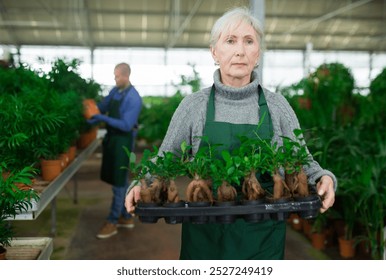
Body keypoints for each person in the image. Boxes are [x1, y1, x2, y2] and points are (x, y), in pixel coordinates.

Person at [125, 7, 336, 259]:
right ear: (214, 52)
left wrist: (324, 178)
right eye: (230, 41)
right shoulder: (194, 106)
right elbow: (164, 160)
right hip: (205, 234)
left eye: (249, 41)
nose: (240, 50)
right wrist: (141, 184)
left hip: (262, 236)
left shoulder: (277, 106)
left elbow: (304, 164)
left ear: (257, 53)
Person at [89, 62, 142, 239]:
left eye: (117, 76)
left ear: (126, 76)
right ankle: (126, 216)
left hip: (124, 143)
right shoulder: (115, 91)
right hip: (113, 140)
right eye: (114, 75)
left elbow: (127, 125)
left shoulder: (133, 98)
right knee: (119, 182)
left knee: (119, 183)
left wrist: (102, 118)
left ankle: (112, 221)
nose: (115, 78)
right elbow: (102, 107)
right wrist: (91, 114)